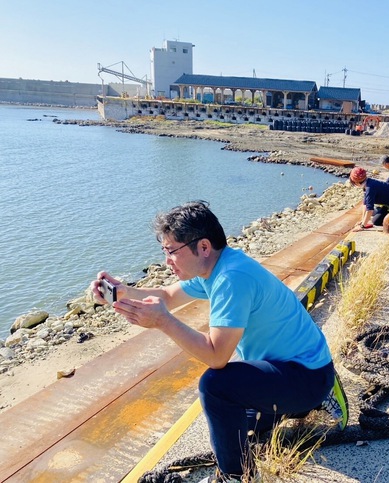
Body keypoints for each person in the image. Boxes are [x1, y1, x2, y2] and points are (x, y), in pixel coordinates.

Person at [91, 200, 348, 483]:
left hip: (306, 376)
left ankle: (237, 477)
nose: (166, 261)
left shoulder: (230, 278)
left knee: (216, 387)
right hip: (301, 367)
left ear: (202, 247)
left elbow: (216, 356)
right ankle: (308, 402)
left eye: (170, 251)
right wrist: (122, 293)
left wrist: (163, 321)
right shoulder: (218, 266)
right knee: (240, 424)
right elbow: (166, 296)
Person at [349, 167, 389, 234]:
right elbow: (365, 205)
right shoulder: (367, 183)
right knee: (376, 221)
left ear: (356, 182)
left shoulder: (370, 188)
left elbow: (370, 210)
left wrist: (362, 226)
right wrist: (362, 221)